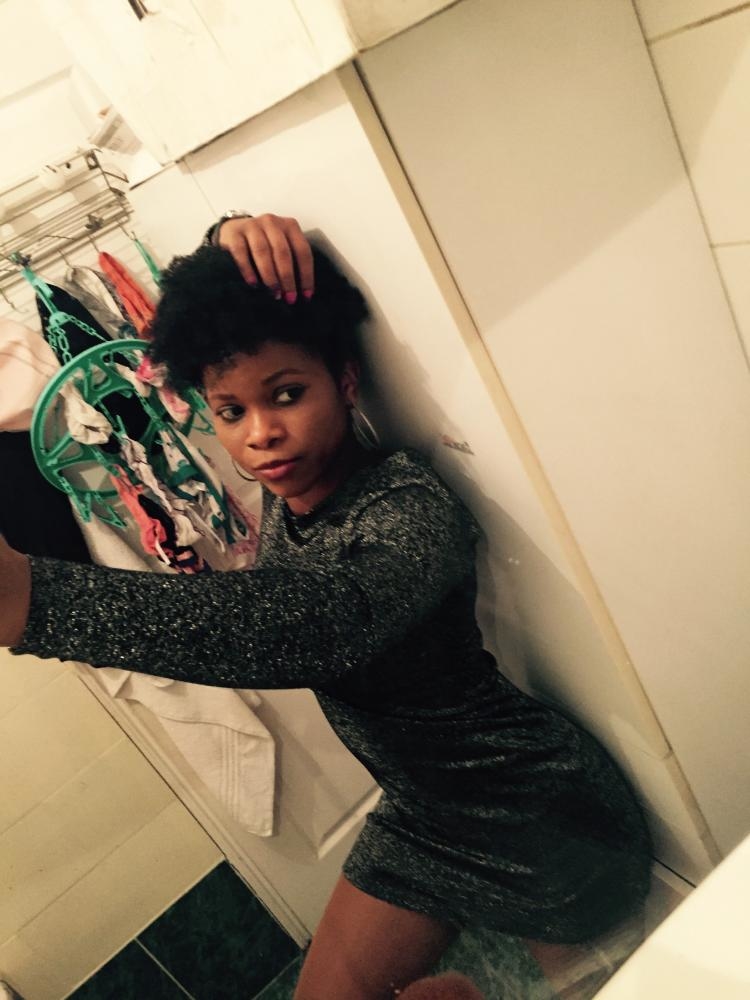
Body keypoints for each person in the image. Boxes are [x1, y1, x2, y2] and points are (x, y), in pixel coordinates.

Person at [0, 215, 652, 1000]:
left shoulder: (407, 509)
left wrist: (35, 600)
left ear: (344, 382)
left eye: (287, 395)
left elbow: (310, 627)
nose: (262, 436)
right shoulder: (295, 496)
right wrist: (228, 233)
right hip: (423, 817)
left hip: (542, 819)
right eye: (231, 411)